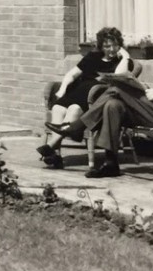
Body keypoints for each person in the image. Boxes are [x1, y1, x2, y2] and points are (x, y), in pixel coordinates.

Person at [46, 33, 153, 178]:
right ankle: (111, 163)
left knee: (117, 88)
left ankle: (77, 126)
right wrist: (148, 90)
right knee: (113, 105)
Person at [37, 26, 134, 169]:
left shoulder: (123, 62)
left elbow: (119, 76)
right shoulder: (92, 57)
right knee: (57, 108)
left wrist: (125, 56)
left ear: (120, 45)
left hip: (94, 98)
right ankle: (54, 154)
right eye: (107, 46)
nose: (111, 49)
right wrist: (62, 90)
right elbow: (72, 74)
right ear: (101, 46)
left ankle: (50, 146)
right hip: (76, 91)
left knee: (74, 109)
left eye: (115, 45)